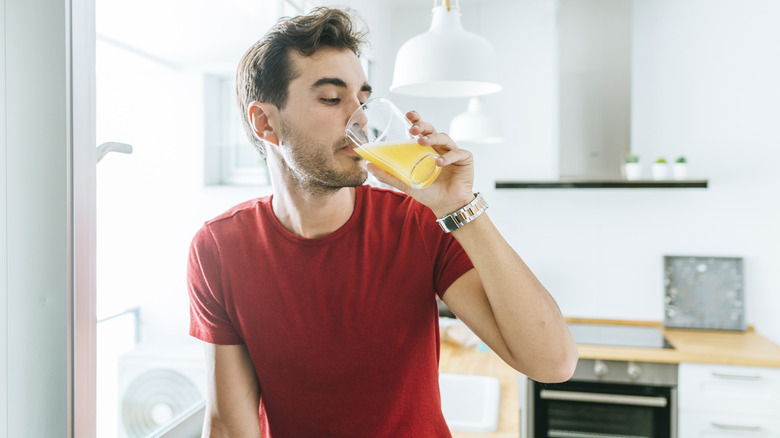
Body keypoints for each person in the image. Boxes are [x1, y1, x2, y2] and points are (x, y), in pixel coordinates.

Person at [187, 6, 577, 437]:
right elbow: (228, 423)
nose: (362, 120)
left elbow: (553, 363)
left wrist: (460, 208)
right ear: (265, 123)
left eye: (363, 100)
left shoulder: (418, 223)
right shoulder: (220, 248)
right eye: (333, 99)